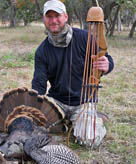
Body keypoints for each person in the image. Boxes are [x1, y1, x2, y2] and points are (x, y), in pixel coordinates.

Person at [31, 0, 114, 148]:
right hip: (57, 101)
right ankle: (68, 120)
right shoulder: (42, 51)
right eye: (49, 16)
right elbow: (38, 85)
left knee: (88, 141)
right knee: (35, 128)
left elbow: (106, 59)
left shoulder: (85, 38)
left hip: (84, 100)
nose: (53, 20)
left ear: (66, 16)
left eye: (57, 15)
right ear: (44, 19)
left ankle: (94, 119)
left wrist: (107, 65)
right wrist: (34, 107)